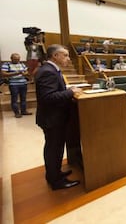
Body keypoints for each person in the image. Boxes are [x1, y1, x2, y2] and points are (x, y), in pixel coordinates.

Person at [35, 44, 82, 190]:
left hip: (55, 118)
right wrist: (70, 92)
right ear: (55, 56)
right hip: (52, 119)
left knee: (55, 148)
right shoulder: (48, 72)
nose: (68, 58)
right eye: (65, 55)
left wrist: (67, 90)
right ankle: (55, 181)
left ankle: (55, 173)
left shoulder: (51, 69)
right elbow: (48, 97)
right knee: (53, 149)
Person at [1, 53, 31, 118]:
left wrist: (25, 73)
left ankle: (24, 111)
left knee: (23, 98)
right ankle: (17, 113)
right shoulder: (6, 64)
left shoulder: (22, 64)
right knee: (14, 99)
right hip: (13, 84)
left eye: (18, 59)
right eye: (15, 59)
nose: (17, 60)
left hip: (23, 83)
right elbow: (4, 74)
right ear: (11, 59)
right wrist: (17, 73)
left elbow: (27, 72)